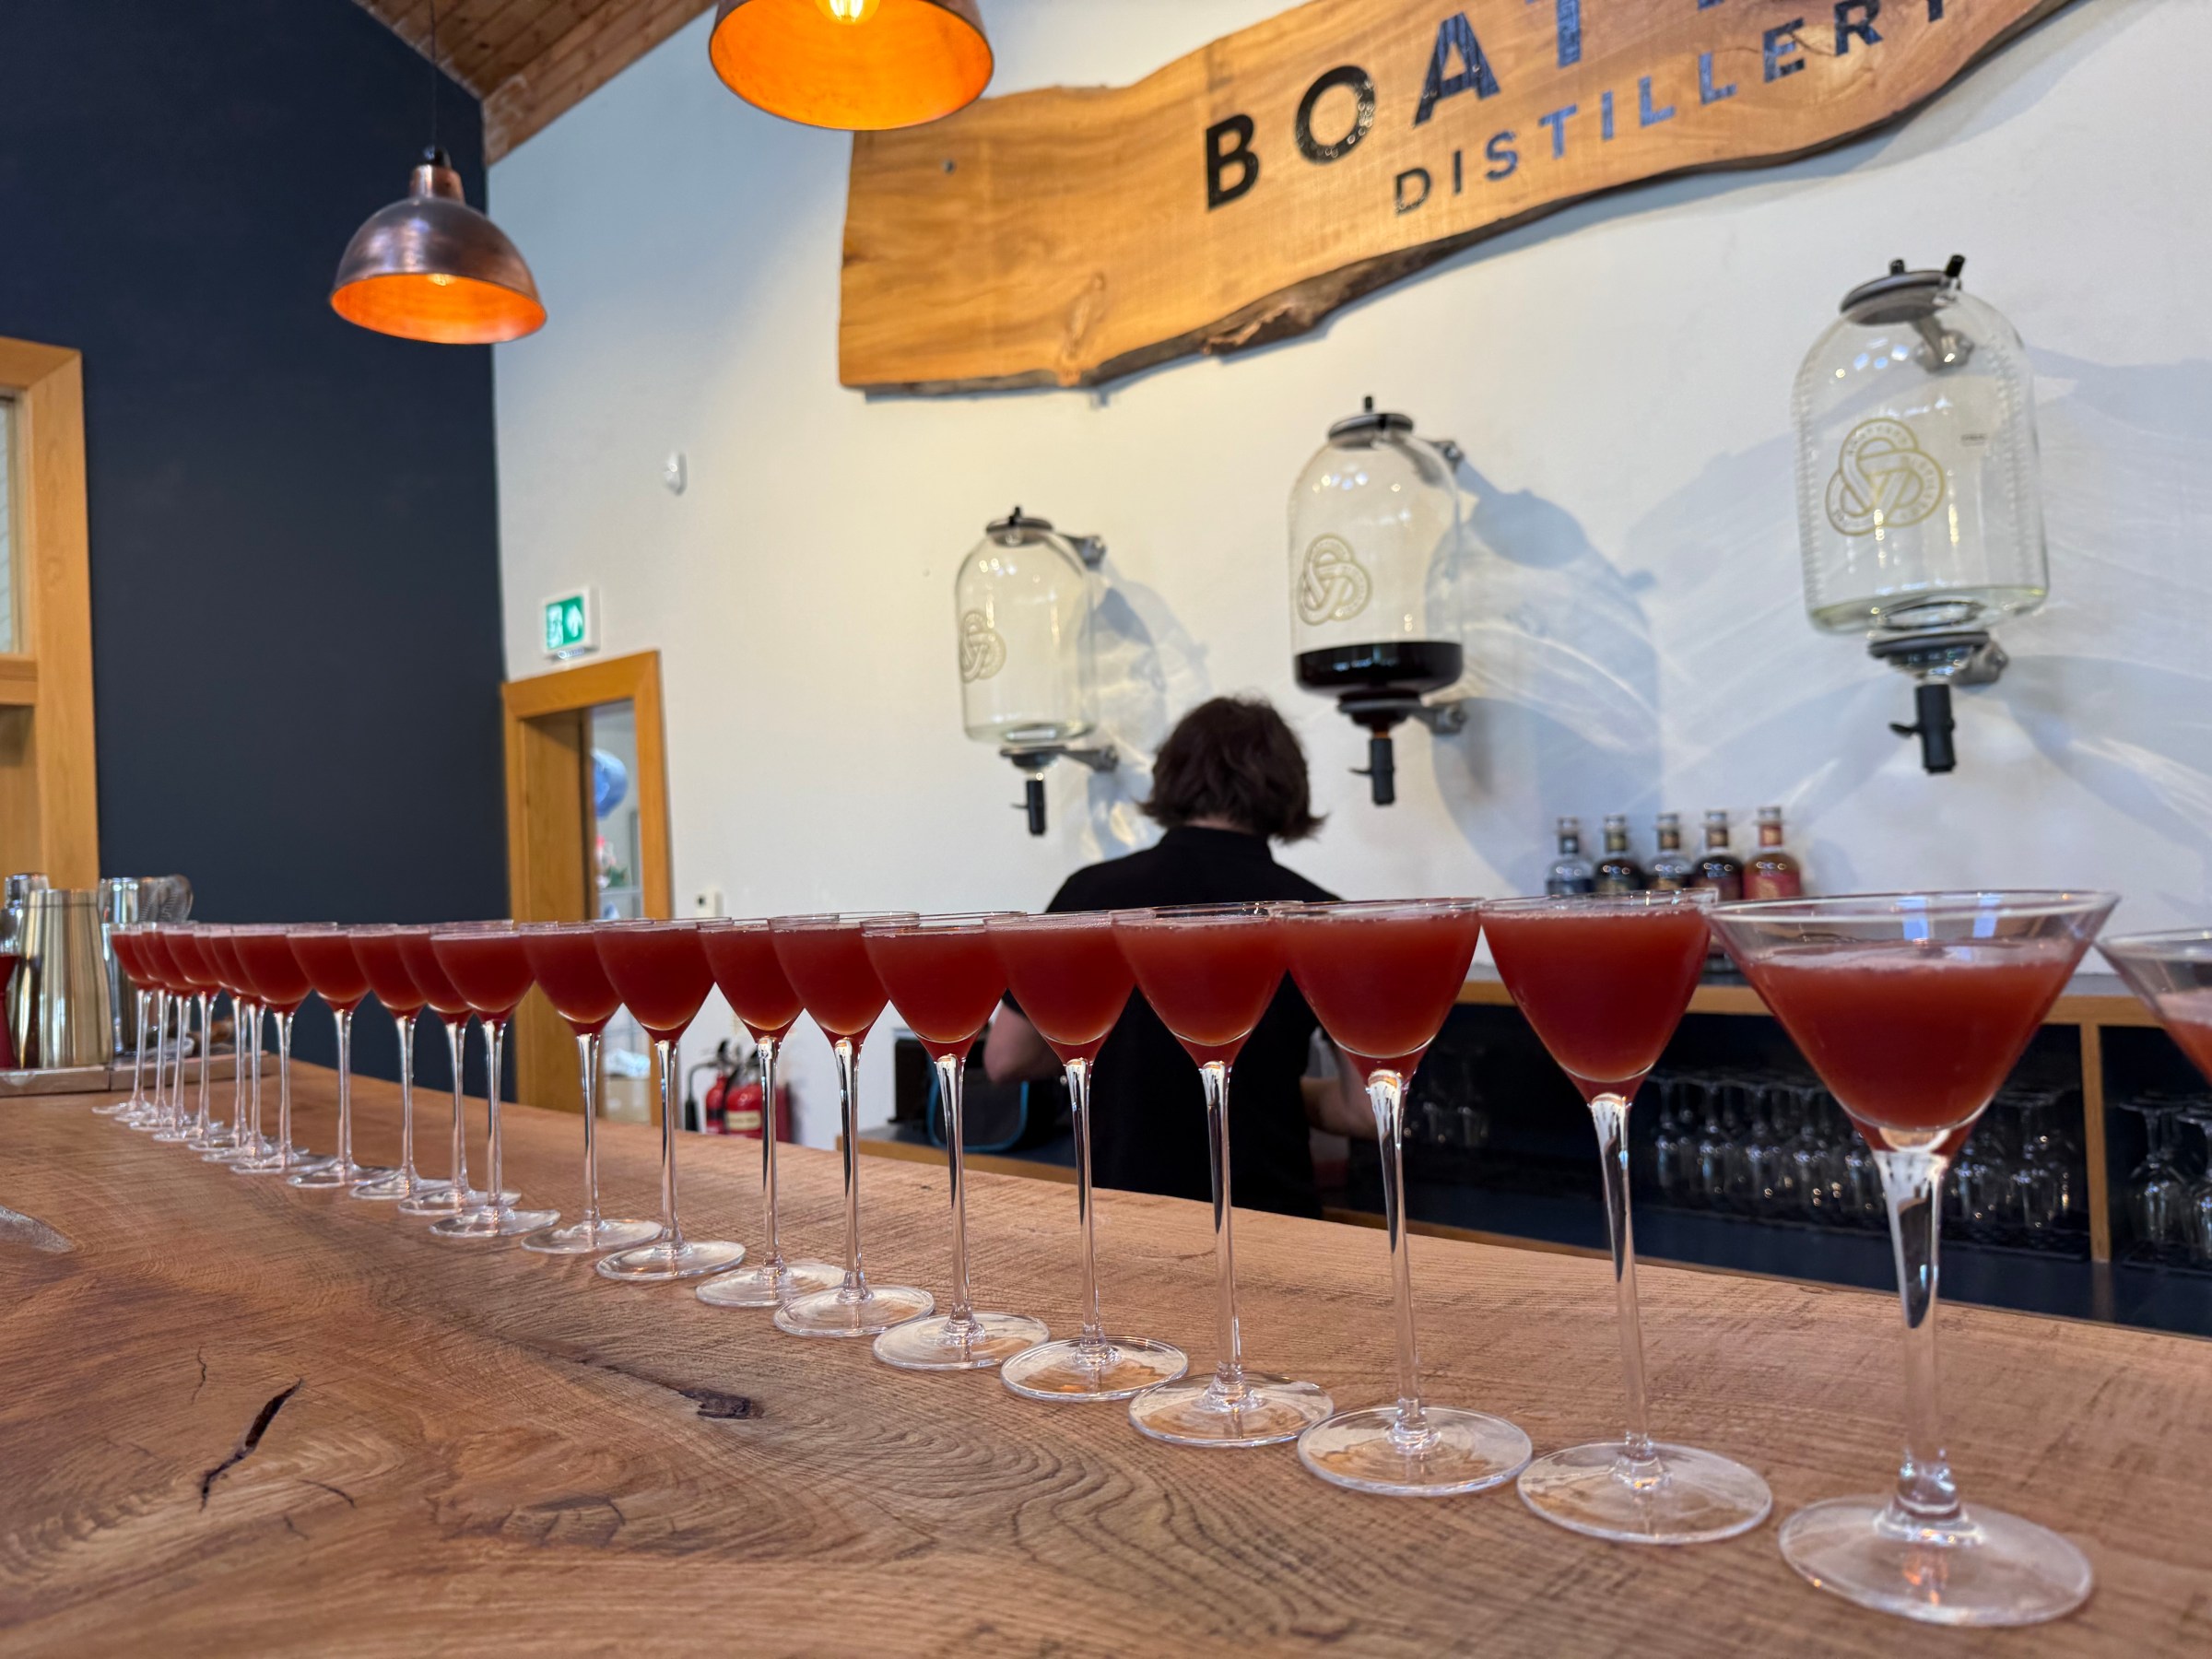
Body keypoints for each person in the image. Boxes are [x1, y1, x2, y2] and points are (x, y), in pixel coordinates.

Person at [983, 696, 1371, 1218]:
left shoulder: (1089, 896)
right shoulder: (1323, 917)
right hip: (1275, 1222)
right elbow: (1365, 1110)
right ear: (1287, 787)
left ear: (1171, 777)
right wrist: (1268, 1089)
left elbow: (1006, 1059)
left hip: (1124, 1217)